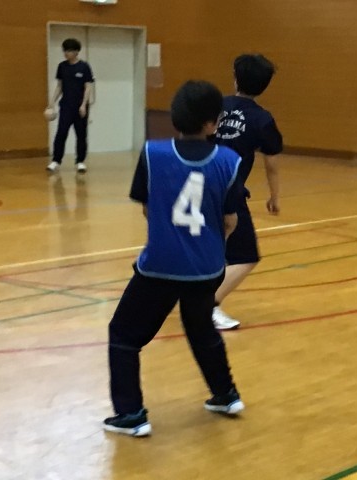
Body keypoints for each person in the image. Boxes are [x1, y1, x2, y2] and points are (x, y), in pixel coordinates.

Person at [103, 80, 244, 437]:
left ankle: (131, 414)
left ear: (175, 116)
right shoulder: (229, 161)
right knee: (200, 328)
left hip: (160, 266)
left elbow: (147, 209)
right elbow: (230, 221)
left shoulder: (153, 153)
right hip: (208, 267)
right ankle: (226, 395)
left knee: (123, 334)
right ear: (213, 123)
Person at [211, 54, 284, 330]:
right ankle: (208, 305)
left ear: (235, 78)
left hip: (195, 186)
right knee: (245, 257)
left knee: (206, 248)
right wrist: (274, 197)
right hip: (228, 193)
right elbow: (272, 165)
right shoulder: (261, 119)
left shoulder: (214, 105)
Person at [46, 38, 94, 173]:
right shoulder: (62, 66)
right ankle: (56, 160)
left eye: (69, 51)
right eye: (65, 51)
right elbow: (59, 86)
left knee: (81, 134)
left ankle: (80, 161)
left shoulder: (84, 67)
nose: (66, 53)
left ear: (76, 52)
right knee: (61, 133)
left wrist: (83, 105)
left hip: (80, 107)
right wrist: (52, 102)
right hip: (66, 106)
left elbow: (88, 87)